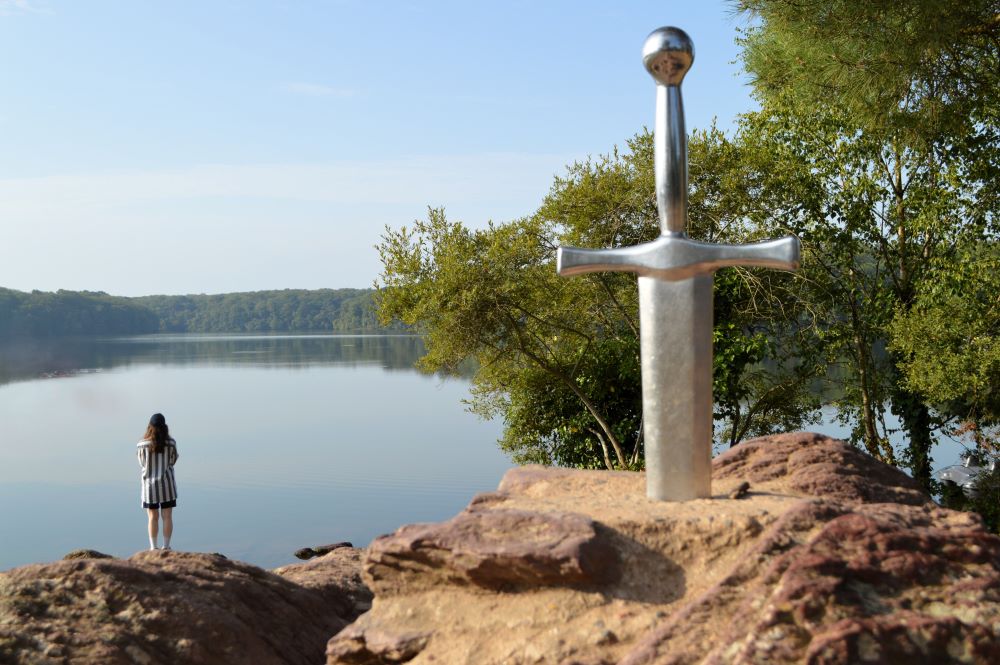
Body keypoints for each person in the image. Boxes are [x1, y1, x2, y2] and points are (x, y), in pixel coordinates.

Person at [137, 413, 179, 551]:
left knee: (152, 517)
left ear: (149, 427)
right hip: (167, 485)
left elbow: (142, 464)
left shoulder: (141, 445)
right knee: (167, 516)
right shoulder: (171, 443)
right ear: (165, 427)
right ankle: (166, 547)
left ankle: (153, 548)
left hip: (150, 487)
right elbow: (173, 461)